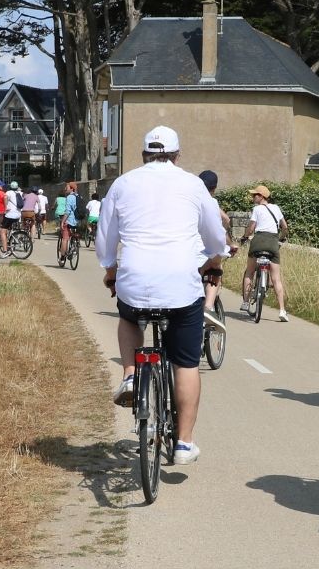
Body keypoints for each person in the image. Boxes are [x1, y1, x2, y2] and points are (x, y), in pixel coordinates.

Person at [98, 126, 230, 464]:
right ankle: (184, 443)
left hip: (135, 278)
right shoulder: (192, 184)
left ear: (143, 154)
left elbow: (105, 236)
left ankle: (130, 374)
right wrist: (215, 259)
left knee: (127, 315)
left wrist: (111, 270)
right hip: (180, 285)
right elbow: (215, 235)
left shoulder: (123, 183)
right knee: (185, 363)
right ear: (176, 155)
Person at [238, 185, 290, 322]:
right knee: (276, 279)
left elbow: (251, 228)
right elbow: (285, 227)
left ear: (261, 196)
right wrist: (282, 237)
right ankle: (282, 311)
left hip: (258, 241)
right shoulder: (276, 208)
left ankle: (245, 302)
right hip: (273, 242)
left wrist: (244, 237)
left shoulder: (257, 209)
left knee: (249, 272)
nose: (253, 197)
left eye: (255, 195)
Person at [196, 171, 229, 321]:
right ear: (214, 188)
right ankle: (208, 308)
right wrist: (228, 245)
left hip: (184, 249)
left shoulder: (189, 200)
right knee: (216, 268)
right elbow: (225, 221)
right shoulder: (212, 203)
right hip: (203, 251)